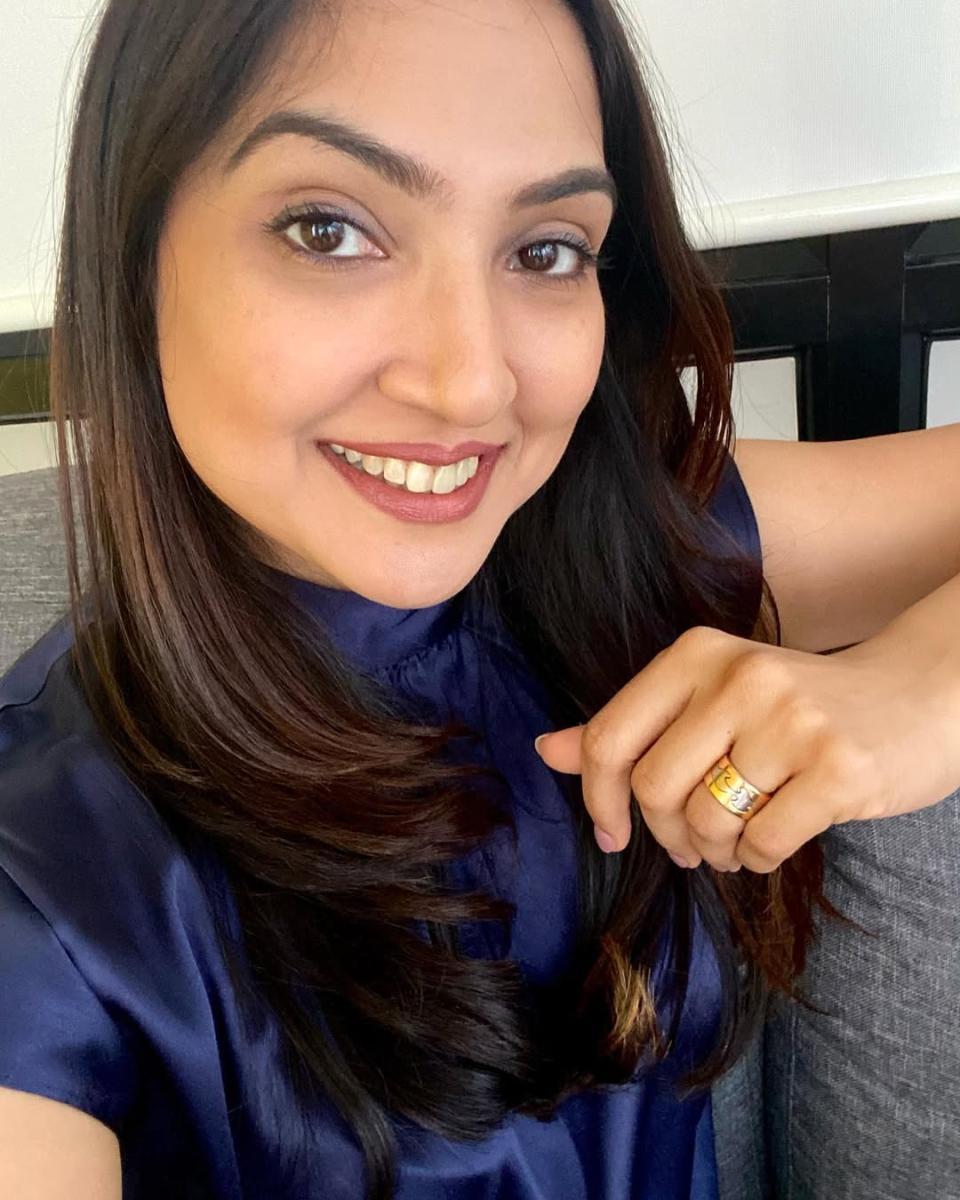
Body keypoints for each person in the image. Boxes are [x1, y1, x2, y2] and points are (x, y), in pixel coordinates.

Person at [2, 1, 960, 1197]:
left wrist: (924, 688)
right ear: (136, 259)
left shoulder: (620, 556)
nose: (468, 383)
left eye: (546, 249)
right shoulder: (39, 885)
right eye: (328, 229)